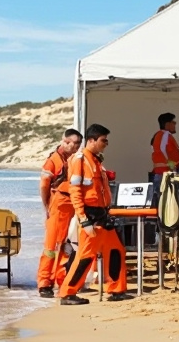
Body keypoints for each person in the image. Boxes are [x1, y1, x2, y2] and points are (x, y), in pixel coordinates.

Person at [57, 124, 130, 305]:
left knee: (116, 251)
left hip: (102, 216)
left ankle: (116, 289)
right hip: (90, 216)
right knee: (85, 256)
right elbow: (75, 191)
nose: (106, 143)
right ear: (92, 140)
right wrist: (83, 219)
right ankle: (67, 293)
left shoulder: (96, 160)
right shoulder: (80, 160)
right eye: (103, 140)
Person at [37, 129, 83, 298]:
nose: (76, 147)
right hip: (59, 202)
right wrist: (47, 208)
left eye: (78, 144)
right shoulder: (53, 160)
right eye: (74, 143)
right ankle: (44, 282)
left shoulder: (74, 158)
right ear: (64, 141)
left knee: (66, 245)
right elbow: (44, 186)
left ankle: (61, 278)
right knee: (52, 246)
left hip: (73, 202)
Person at [149, 113, 179, 192]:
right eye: (173, 123)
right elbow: (162, 148)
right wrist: (170, 163)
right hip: (165, 173)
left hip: (160, 173)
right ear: (167, 124)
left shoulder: (157, 135)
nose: (175, 125)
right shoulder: (165, 134)